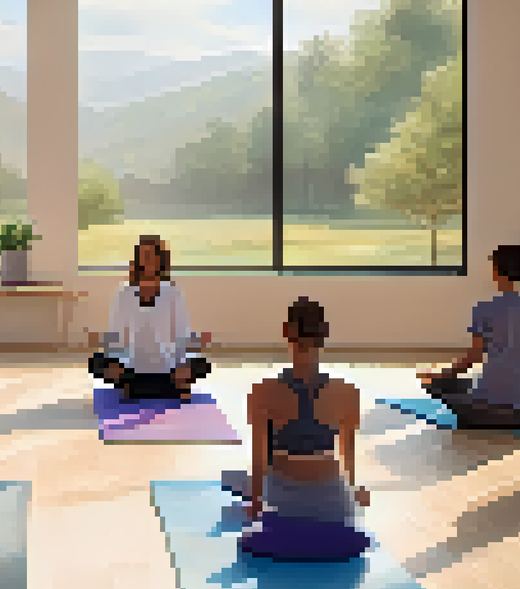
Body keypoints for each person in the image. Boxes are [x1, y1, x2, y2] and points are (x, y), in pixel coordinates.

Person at [222, 298, 371, 561]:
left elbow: (259, 458)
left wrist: (256, 502)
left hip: (283, 502)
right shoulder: (348, 393)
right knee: (238, 480)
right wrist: (354, 491)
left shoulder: (262, 391)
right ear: (324, 334)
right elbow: (347, 455)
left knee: (230, 478)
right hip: (333, 501)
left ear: (286, 331)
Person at [417, 245, 520, 429]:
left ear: (497, 272)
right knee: (470, 382)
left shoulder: (484, 308)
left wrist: (440, 374)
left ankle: (488, 415)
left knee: (437, 384)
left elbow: (474, 357)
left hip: (490, 405)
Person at [87, 234, 213, 402]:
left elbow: (182, 334)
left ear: (160, 260)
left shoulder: (173, 292)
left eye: (151, 256)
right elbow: (116, 336)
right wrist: (116, 361)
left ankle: (140, 387)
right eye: (143, 256)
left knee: (202, 365)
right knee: (95, 363)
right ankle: (160, 387)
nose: (147, 260)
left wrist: (184, 361)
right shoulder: (125, 292)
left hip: (167, 367)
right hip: (133, 366)